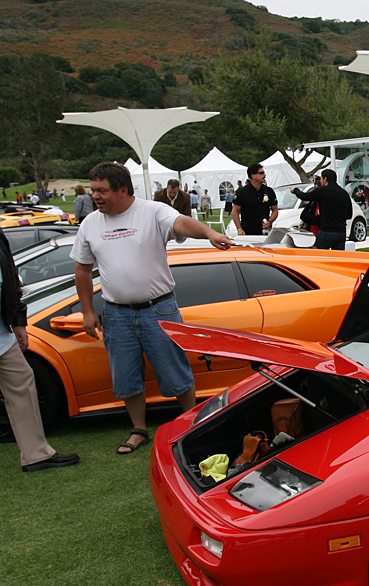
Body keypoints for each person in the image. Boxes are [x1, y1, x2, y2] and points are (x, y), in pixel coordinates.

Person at [70, 162, 233, 455]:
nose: (95, 196)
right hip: (115, 314)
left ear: (123, 190)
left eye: (102, 190)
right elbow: (82, 270)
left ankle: (191, 424)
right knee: (125, 376)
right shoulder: (90, 224)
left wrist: (209, 233)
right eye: (93, 190)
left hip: (158, 309)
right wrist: (87, 311)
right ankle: (139, 430)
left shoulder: (152, 211)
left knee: (176, 371)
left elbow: (181, 223)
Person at [0, 227, 79, 471]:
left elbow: (10, 278)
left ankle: (36, 454)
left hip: (3, 334)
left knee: (23, 383)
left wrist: (18, 321)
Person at [290, 169, 351, 250]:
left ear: (325, 179)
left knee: (319, 256)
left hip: (326, 231)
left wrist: (295, 190)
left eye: (321, 179)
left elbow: (305, 196)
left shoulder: (322, 191)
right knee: (338, 259)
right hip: (341, 232)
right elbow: (349, 215)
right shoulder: (344, 193)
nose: (321, 181)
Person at [231, 163, 278, 236]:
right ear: (253, 176)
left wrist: (270, 221)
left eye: (264, 172)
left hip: (265, 232)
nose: (264, 175)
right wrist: (239, 229)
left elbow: (275, 209)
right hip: (247, 232)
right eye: (261, 173)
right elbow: (235, 212)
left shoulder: (269, 191)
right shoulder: (242, 192)